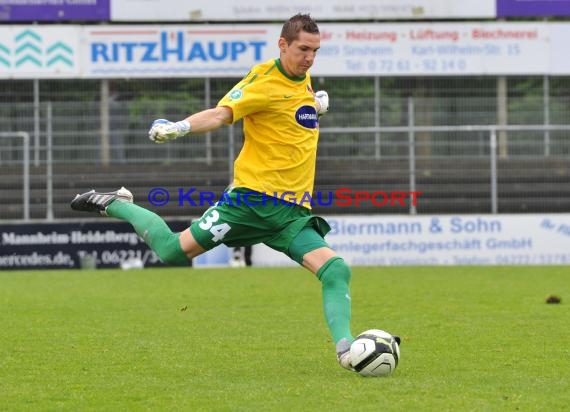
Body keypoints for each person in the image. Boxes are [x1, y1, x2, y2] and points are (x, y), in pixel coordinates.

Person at [71, 13, 358, 372]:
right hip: (250, 203)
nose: (310, 58)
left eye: (315, 51)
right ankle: (119, 204)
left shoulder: (302, 79)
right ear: (283, 45)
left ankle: (348, 351)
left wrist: (315, 105)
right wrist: (180, 127)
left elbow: (288, 117)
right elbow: (223, 114)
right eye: (303, 49)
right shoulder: (264, 79)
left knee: (335, 270)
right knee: (173, 251)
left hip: (292, 215)